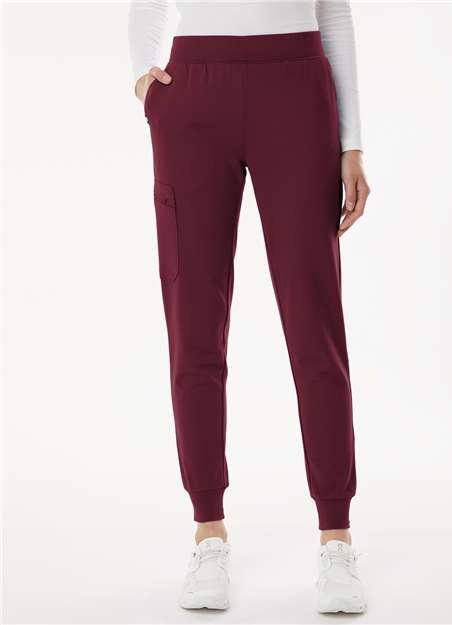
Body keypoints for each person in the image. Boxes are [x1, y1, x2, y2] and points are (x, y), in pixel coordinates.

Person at [129, 0, 370, 613]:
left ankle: (336, 537)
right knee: (193, 320)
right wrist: (143, 79)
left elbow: (333, 14)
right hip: (192, 94)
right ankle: (207, 531)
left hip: (296, 91)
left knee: (314, 321)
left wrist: (352, 143)